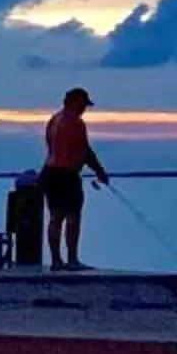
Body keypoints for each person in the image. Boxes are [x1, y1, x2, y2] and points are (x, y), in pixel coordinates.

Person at [40, 86, 110, 269]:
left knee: (55, 217)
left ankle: (56, 260)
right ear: (73, 102)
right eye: (82, 104)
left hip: (50, 172)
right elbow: (84, 150)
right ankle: (72, 260)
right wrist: (99, 170)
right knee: (72, 217)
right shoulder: (76, 123)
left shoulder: (53, 119)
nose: (84, 109)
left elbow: (50, 145)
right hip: (66, 175)